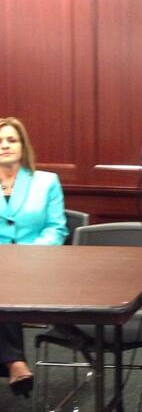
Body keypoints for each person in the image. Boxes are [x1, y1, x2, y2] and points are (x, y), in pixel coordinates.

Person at [0, 117, 68, 397]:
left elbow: (56, 228)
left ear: (23, 145)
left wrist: (29, 255)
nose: (5, 145)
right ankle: (14, 362)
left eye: (11, 140)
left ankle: (13, 362)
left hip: (36, 265)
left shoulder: (46, 182)